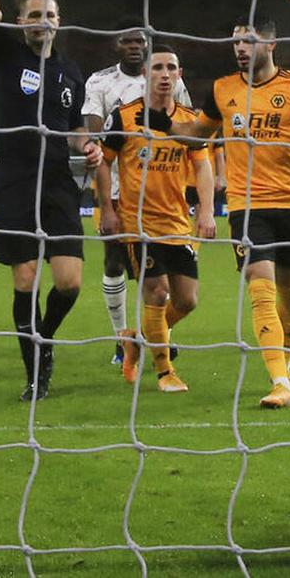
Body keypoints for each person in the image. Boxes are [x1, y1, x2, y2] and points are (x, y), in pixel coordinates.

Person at [146, 19, 290, 409]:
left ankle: (285, 372)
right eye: (236, 41)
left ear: (271, 43)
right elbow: (199, 135)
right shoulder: (222, 90)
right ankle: (279, 382)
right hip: (246, 206)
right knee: (260, 283)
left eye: (249, 40)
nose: (240, 47)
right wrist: (166, 125)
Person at [0, 0, 103, 401]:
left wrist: (86, 146)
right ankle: (36, 372)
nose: (41, 22)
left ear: (58, 21)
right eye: (33, 16)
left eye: (48, 15)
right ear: (21, 24)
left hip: (55, 181)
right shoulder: (9, 54)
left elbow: (74, 129)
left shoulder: (71, 71)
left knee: (69, 283)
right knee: (26, 276)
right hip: (13, 178)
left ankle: (43, 336)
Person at [95, 45, 216, 392]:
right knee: (157, 292)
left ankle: (136, 339)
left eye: (171, 68)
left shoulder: (189, 121)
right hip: (137, 224)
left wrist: (206, 211)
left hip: (177, 222)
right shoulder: (124, 117)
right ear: (146, 74)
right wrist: (107, 208)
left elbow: (202, 165)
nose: (165, 74)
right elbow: (103, 161)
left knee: (187, 300)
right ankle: (165, 372)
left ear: (179, 75)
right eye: (158, 68)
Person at [82, 24, 192, 365]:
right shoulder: (99, 81)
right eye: (127, 41)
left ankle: (156, 335)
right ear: (116, 45)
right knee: (114, 260)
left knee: (163, 275)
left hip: (161, 187)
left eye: (139, 41)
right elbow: (93, 130)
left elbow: (186, 127)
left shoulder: (170, 78)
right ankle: (120, 337)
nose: (133, 46)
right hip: (113, 186)